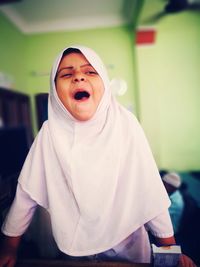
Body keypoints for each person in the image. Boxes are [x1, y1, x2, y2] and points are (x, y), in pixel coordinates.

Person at [0, 45, 197, 267]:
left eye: (90, 72)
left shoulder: (126, 125)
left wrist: (169, 252)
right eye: (66, 74)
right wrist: (9, 247)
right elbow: (27, 193)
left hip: (129, 249)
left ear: (104, 83)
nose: (78, 78)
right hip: (75, 251)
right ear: (54, 90)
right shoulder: (49, 134)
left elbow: (149, 190)